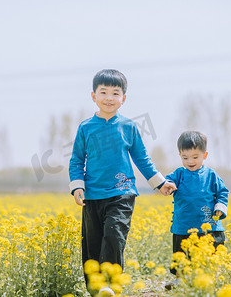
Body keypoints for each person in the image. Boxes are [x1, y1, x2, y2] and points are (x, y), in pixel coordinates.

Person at [69, 69, 176, 295]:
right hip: (92, 196)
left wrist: (160, 183)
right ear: (93, 96)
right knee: (93, 243)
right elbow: (77, 159)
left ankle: (110, 284)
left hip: (122, 193)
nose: (109, 98)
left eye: (115, 93)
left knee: (114, 235)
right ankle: (96, 289)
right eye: (104, 92)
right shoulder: (85, 127)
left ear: (123, 99)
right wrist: (77, 185)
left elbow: (142, 159)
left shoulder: (129, 127)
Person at [164, 130, 229, 290]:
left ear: (204, 155)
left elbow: (222, 192)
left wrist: (219, 207)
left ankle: (211, 280)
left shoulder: (211, 175)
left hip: (209, 226)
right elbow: (168, 180)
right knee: (181, 255)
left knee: (210, 255)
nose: (190, 161)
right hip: (183, 226)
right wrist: (167, 186)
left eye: (195, 157)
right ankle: (181, 280)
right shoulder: (179, 174)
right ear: (179, 155)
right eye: (185, 157)